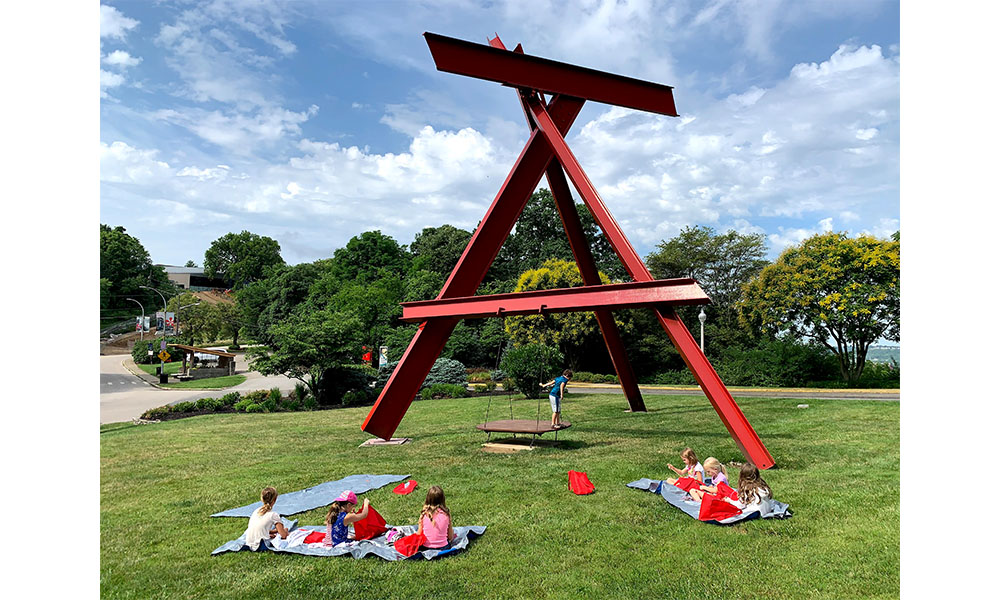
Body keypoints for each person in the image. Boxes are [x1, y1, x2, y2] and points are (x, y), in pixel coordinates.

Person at [242, 486, 288, 551]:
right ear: (274, 500)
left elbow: (258, 528)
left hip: (249, 543)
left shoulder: (256, 511)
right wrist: (285, 531)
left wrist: (271, 532)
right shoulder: (273, 515)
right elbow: (283, 535)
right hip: (261, 545)